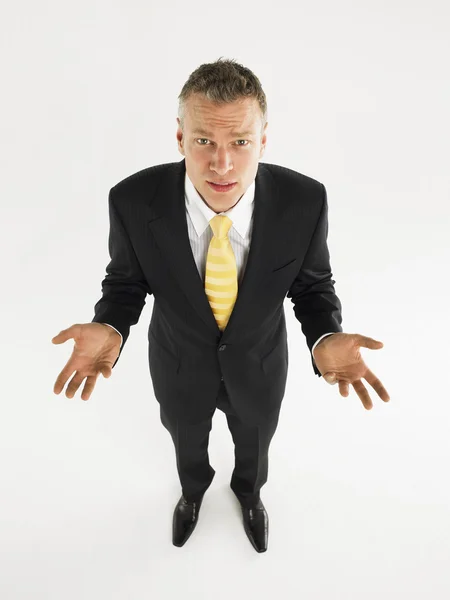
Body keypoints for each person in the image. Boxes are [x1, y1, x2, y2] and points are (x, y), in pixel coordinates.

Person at [51, 57, 390, 553]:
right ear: (180, 138)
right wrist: (110, 325)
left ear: (264, 139)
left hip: (259, 363)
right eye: (204, 141)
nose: (222, 164)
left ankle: (249, 495)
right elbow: (126, 282)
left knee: (255, 441)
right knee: (185, 437)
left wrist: (324, 336)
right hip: (178, 362)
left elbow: (312, 285)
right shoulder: (133, 200)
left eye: (240, 142)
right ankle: (192, 493)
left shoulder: (304, 201)